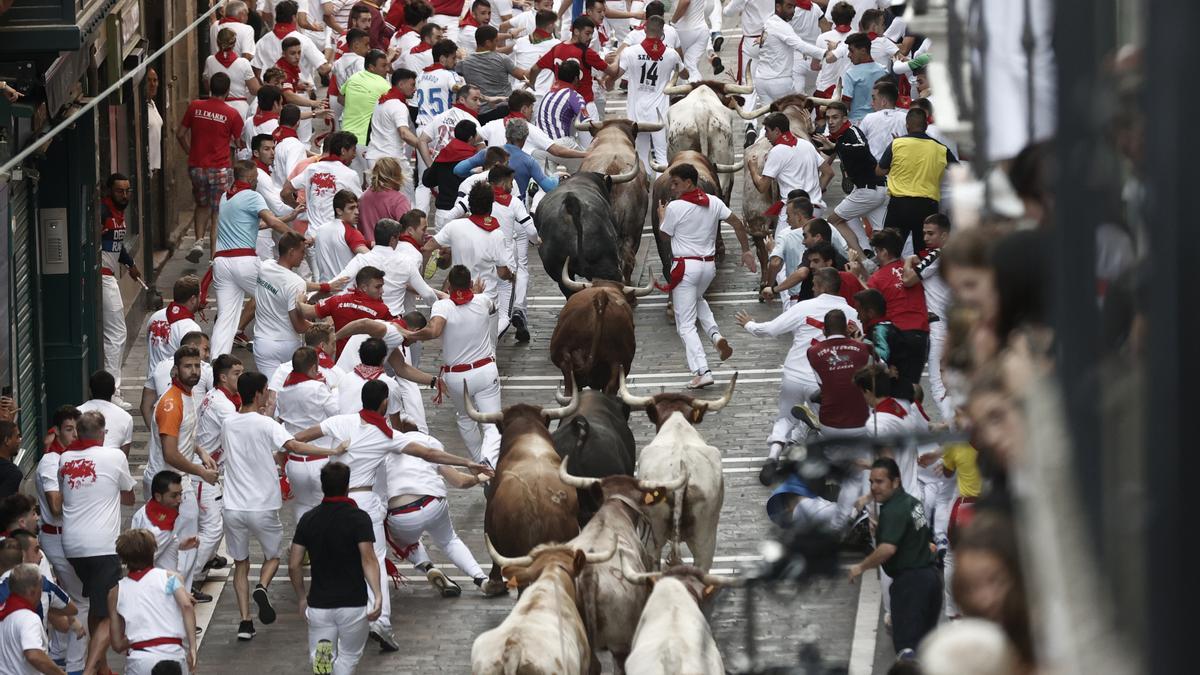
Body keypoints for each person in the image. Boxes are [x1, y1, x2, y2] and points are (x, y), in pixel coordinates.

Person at [291, 380, 493, 651]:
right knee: (373, 560)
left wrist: (327, 451)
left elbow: (297, 440)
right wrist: (468, 461)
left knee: (326, 645)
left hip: (321, 607)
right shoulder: (387, 437)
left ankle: (329, 654)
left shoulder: (340, 424)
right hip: (363, 505)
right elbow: (429, 453)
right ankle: (380, 620)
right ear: (385, 404)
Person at [221, 371, 346, 641]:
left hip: (232, 506)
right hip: (262, 505)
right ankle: (263, 586)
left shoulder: (228, 423)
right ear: (257, 394)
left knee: (241, 564)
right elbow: (295, 446)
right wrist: (331, 452)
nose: (269, 395)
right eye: (266, 390)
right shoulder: (267, 424)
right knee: (274, 557)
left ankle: (245, 622)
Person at [737, 269, 859, 473]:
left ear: (821, 286)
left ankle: (773, 454)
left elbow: (771, 329)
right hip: (823, 381)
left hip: (794, 373)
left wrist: (749, 324)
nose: (812, 288)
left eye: (813, 285)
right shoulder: (852, 314)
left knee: (785, 416)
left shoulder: (804, 307)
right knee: (826, 425)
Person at [655, 163, 756, 388]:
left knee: (686, 324)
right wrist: (746, 250)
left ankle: (702, 370)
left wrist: (662, 216)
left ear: (688, 183)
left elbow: (664, 237)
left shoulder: (675, 207)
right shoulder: (714, 202)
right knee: (697, 300)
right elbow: (738, 223)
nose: (671, 187)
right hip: (707, 267)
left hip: (686, 268)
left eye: (675, 183)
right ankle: (715, 336)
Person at [399, 266, 503, 465]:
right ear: (470, 284)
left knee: (465, 419)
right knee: (492, 423)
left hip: (457, 377)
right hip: (485, 372)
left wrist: (411, 335)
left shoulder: (443, 306)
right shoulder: (483, 301)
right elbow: (486, 305)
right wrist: (477, 294)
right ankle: (488, 459)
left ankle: (478, 463)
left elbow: (434, 330)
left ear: (449, 285)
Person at [383, 432, 506, 597]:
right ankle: (481, 579)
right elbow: (460, 481)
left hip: (402, 514)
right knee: (449, 541)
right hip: (432, 502)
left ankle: (428, 567)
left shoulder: (379, 449)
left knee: (404, 543)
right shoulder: (428, 441)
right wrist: (480, 478)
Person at [59, 411, 135, 675]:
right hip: (102, 546)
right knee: (108, 611)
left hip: (72, 546)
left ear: (77, 433)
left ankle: (102, 668)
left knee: (96, 604)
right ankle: (91, 670)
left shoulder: (64, 458)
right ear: (103, 433)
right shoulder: (114, 456)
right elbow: (129, 495)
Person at [289, 462, 381, 674]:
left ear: (322, 486)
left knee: (322, 657)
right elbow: (369, 559)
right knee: (349, 656)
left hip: (320, 605)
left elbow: (294, 564)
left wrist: (302, 597)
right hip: (353, 604)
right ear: (347, 485)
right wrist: (377, 595)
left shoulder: (308, 519)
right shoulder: (359, 518)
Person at [143, 345, 217, 603]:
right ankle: (172, 603)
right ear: (175, 369)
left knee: (180, 550)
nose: (194, 371)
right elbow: (170, 453)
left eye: (197, 366)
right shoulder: (172, 403)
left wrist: (201, 451)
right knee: (177, 551)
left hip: (175, 483)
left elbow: (184, 435)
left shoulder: (186, 396)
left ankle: (177, 599)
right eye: (188, 366)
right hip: (168, 488)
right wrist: (201, 471)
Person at [848, 458, 942, 658]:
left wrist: (860, 567)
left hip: (910, 585)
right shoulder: (914, 504)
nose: (874, 487)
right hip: (931, 580)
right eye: (871, 482)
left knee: (907, 652)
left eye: (880, 482)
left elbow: (887, 550)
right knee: (927, 650)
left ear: (896, 482)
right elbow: (925, 540)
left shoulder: (893, 510)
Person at [211, 160, 297, 358]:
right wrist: (298, 238)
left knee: (225, 318)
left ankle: (216, 363)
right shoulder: (252, 195)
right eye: (256, 179)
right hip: (244, 261)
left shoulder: (226, 197)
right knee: (281, 295)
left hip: (222, 264)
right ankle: (282, 350)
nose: (257, 182)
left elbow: (255, 226)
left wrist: (289, 217)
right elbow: (272, 221)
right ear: (250, 179)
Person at [800, 310, 873, 522]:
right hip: (861, 420)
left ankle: (843, 516)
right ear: (846, 327)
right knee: (861, 471)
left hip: (831, 422)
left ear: (824, 329)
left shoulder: (813, 352)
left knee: (845, 472)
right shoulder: (862, 349)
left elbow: (823, 385)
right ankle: (858, 512)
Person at [107, 529, 197, 675]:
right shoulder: (171, 578)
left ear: (123, 558)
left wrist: (140, 635)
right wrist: (193, 647)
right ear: (153, 551)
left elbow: (117, 644)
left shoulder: (115, 592)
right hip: (173, 653)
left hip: (139, 658)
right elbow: (186, 606)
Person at [177, 72, 245, 264]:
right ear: (228, 91)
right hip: (220, 168)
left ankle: (198, 241)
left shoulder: (195, 106)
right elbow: (239, 142)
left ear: (209, 88)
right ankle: (214, 255)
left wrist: (190, 152)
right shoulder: (232, 114)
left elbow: (180, 133)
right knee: (217, 211)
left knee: (201, 204)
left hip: (197, 166)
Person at [425, 183, 514, 318]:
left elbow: (428, 246)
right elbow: (502, 273)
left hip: (457, 298)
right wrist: (511, 276)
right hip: (485, 301)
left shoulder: (454, 227)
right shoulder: (497, 235)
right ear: (491, 205)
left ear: (470, 204)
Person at [275, 347, 341, 523]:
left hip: (295, 462)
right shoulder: (318, 388)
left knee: (302, 506)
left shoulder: (283, 391)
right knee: (328, 510)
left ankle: (303, 546)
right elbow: (336, 413)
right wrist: (334, 391)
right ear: (313, 368)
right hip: (321, 459)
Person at [878, 107, 956, 256]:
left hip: (899, 206)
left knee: (889, 251)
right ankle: (921, 278)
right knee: (924, 253)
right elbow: (956, 169)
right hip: (926, 207)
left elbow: (880, 171)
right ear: (926, 126)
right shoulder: (940, 148)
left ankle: (891, 278)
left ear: (907, 125)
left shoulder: (897, 144)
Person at [611, 16, 685, 173]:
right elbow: (685, 74)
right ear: (662, 33)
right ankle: (661, 192)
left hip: (636, 112)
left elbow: (615, 75)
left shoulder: (630, 52)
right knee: (661, 156)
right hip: (659, 113)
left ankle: (645, 188)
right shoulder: (671, 54)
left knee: (642, 155)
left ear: (645, 30)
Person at [817, 101, 887, 254]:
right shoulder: (839, 136)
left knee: (834, 220)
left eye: (835, 117)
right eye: (828, 118)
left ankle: (862, 254)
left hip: (869, 190)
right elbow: (828, 147)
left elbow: (862, 148)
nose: (831, 121)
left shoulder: (852, 131)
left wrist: (835, 147)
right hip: (876, 190)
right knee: (879, 234)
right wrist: (810, 132)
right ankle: (871, 254)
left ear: (844, 118)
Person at [865, 228, 929, 393]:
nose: (876, 256)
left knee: (894, 386)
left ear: (884, 252)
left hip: (897, 335)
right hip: (920, 334)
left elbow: (869, 306)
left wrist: (857, 276)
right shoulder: (914, 271)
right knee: (913, 385)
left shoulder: (877, 278)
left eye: (877, 251)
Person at [336, 217, 441, 319]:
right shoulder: (406, 262)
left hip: (367, 319)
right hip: (393, 322)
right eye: (398, 238)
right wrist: (437, 310)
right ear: (392, 239)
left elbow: (338, 283)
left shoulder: (361, 260)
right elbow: (427, 294)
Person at [903, 214, 953, 421]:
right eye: (924, 233)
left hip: (939, 327)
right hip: (956, 326)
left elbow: (908, 280)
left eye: (930, 233)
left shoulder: (937, 255)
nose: (925, 238)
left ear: (945, 235)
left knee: (937, 384)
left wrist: (907, 262)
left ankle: (955, 430)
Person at [98, 173, 141, 407]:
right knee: (116, 334)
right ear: (108, 191)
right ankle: (112, 392)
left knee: (114, 334)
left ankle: (110, 390)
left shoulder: (118, 214)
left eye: (127, 191)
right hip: (102, 278)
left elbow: (118, 245)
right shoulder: (102, 212)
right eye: (119, 191)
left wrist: (131, 264)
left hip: (110, 277)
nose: (124, 195)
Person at [527, 16, 618, 125]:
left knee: (563, 140)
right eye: (587, 33)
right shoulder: (586, 52)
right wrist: (618, 57)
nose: (589, 38)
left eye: (591, 34)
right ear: (576, 31)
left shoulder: (557, 49)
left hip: (562, 106)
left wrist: (532, 84)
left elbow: (534, 68)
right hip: (584, 104)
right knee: (590, 141)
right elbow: (612, 71)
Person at [748, 112, 825, 239]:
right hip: (815, 208)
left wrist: (753, 169)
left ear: (777, 131)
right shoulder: (806, 144)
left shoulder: (776, 151)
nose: (766, 136)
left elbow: (762, 187)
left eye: (767, 131)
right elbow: (828, 173)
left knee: (780, 251)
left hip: (793, 211)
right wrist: (816, 191)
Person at [255, 233, 317, 378]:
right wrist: (321, 327)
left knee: (270, 395)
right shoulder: (297, 283)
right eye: (302, 251)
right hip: (288, 345)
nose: (304, 256)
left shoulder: (265, 267)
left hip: (263, 343)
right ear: (291, 252)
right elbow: (299, 326)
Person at [752, 0, 833, 109]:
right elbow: (800, 45)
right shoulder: (782, 26)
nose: (793, 11)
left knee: (770, 122)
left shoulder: (769, 22)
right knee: (797, 114)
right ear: (778, 7)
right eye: (789, 7)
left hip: (761, 80)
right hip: (780, 82)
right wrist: (825, 53)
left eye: (794, 7)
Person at [455, 118, 558, 202]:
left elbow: (458, 170)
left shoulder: (489, 152)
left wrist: (475, 175)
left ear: (506, 134)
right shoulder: (529, 161)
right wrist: (557, 176)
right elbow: (549, 187)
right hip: (515, 212)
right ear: (525, 137)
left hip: (489, 206)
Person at [283, 131, 365, 237]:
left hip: (313, 236)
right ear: (343, 151)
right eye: (353, 150)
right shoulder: (350, 175)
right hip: (338, 237)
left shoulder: (312, 169)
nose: (354, 155)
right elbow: (362, 205)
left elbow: (285, 192)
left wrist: (300, 208)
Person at [365, 69, 429, 197]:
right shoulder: (398, 106)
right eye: (412, 85)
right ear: (401, 84)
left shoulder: (380, 101)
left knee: (379, 204)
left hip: (373, 160)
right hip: (392, 162)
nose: (415, 89)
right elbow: (404, 133)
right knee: (407, 204)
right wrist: (422, 145)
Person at [129, 471, 196, 575]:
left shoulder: (145, 510)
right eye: (174, 496)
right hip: (161, 584)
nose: (179, 500)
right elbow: (142, 563)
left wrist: (177, 544)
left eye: (180, 494)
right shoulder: (162, 529)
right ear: (158, 496)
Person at [0, 563, 63, 675]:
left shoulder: (5, 614)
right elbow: (34, 655)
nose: (41, 592)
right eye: (41, 587)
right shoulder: (28, 618)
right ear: (32, 591)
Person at [144, 275, 204, 382]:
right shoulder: (191, 328)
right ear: (193, 299)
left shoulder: (154, 317)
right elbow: (193, 362)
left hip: (152, 383)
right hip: (173, 385)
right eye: (199, 296)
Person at [341, 49, 394, 155]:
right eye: (383, 66)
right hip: (367, 141)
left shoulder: (353, 78)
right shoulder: (385, 86)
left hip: (345, 138)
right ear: (371, 67)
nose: (387, 69)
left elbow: (340, 98)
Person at [314, 190, 372, 283]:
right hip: (345, 292)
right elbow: (371, 259)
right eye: (351, 208)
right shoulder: (351, 232)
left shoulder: (320, 230)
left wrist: (371, 243)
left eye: (357, 207)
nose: (357, 212)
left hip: (323, 292)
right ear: (339, 211)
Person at [204, 28, 261, 120]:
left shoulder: (210, 61)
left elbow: (207, 85)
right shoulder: (244, 63)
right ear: (234, 44)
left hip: (216, 109)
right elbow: (254, 90)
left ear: (217, 42)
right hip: (239, 110)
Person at [77, 370, 134, 455]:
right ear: (114, 390)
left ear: (89, 390)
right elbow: (123, 458)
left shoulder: (76, 413)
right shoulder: (126, 417)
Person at [811, 1, 856, 99]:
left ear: (833, 18)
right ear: (852, 17)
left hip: (824, 89)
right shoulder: (858, 37)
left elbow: (814, 66)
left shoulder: (822, 38)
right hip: (848, 91)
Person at [839, 32, 888, 122]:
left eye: (851, 51)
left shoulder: (850, 74)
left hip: (857, 123)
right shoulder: (884, 71)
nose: (849, 55)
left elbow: (846, 104)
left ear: (863, 51)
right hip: (879, 121)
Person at [860, 79, 908, 161]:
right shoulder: (906, 117)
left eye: (874, 99)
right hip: (900, 167)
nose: (871, 103)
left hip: (873, 169)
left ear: (884, 102)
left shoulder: (868, 118)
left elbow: (857, 143)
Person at [0, 422, 22, 499]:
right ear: (7, 440)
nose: (19, 441)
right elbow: (7, 507)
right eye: (17, 437)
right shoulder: (13, 473)